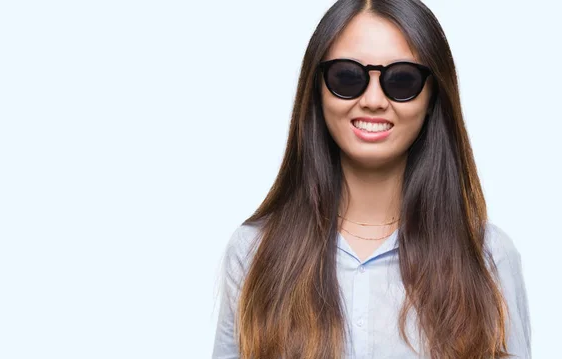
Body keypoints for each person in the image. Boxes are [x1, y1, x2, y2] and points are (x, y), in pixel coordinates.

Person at [212, 0, 532, 358]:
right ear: (316, 90)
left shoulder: (488, 258)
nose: (374, 100)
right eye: (347, 77)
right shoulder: (253, 253)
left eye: (402, 80)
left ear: (432, 97)